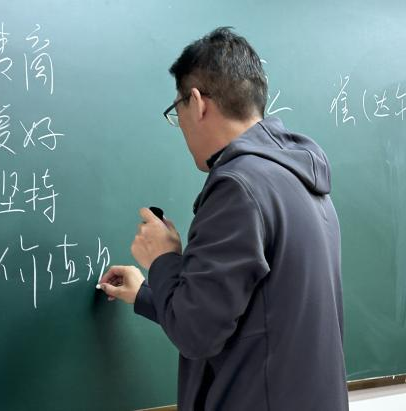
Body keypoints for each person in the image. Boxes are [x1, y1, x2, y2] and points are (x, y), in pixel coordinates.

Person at [97, 27, 348, 411]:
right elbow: (244, 317)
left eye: (176, 111)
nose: (180, 125)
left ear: (197, 102)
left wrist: (162, 258)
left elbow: (197, 333)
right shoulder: (300, 179)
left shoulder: (237, 187)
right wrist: (146, 295)